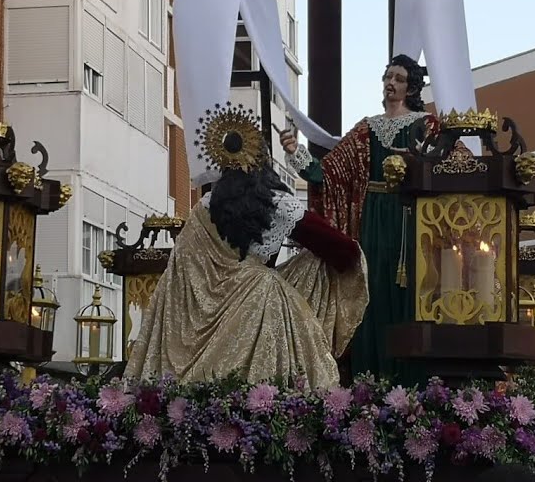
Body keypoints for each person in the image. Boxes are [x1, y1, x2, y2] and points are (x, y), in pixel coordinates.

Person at [128, 104, 368, 389]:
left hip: (200, 331)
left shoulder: (203, 209)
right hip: (261, 306)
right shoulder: (277, 204)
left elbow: (178, 278)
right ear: (263, 159)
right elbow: (342, 251)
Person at [281, 53, 430, 380]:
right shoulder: (367, 130)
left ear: (412, 87)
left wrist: (421, 168)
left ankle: (414, 384)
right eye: (388, 76)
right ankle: (369, 381)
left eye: (399, 79)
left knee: (412, 294)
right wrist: (295, 153)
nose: (391, 83)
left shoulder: (428, 127)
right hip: (373, 219)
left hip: (413, 220)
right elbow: (327, 173)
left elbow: (453, 166)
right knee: (369, 291)